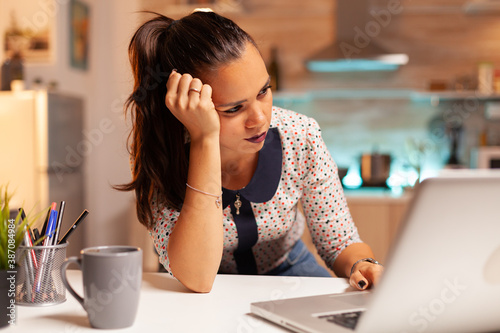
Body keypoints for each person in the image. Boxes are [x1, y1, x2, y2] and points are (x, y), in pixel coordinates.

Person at [119, 10, 383, 293]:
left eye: (264, 91)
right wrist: (205, 139)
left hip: (289, 270)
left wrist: (362, 264)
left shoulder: (301, 136)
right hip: (199, 283)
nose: (259, 119)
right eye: (233, 108)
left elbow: (340, 241)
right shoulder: (165, 152)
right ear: (189, 105)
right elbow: (197, 277)